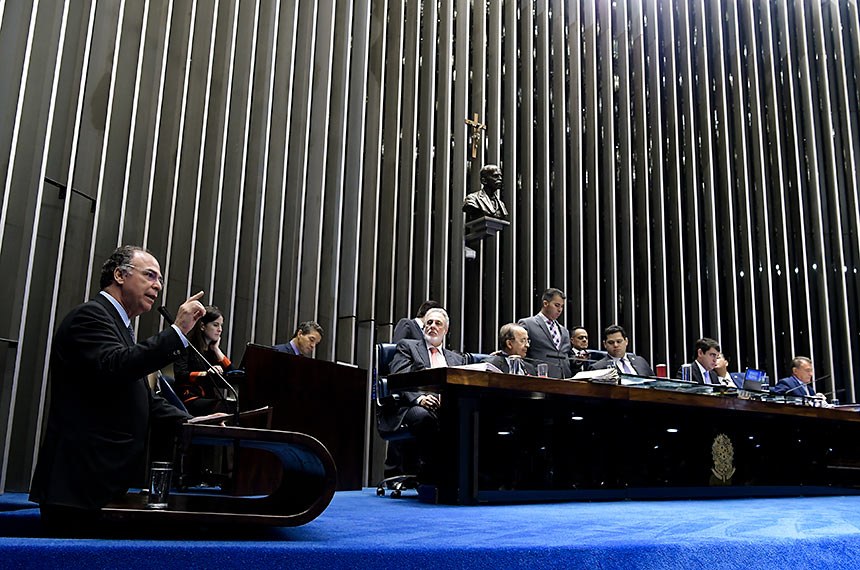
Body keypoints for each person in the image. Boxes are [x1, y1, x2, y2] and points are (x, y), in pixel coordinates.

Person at [28, 245, 221, 530]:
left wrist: (190, 420)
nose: (158, 286)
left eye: (160, 280)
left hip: (101, 484)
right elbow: (116, 366)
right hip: (78, 485)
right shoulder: (90, 317)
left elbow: (139, 394)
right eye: (150, 275)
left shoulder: (120, 326)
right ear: (119, 275)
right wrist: (177, 332)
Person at [383, 308, 466, 481]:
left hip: (446, 406)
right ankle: (431, 476)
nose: (432, 326)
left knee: (471, 419)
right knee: (424, 417)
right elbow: (400, 377)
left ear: (446, 330)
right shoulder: (408, 347)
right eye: (429, 323)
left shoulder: (456, 359)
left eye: (438, 323)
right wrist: (419, 399)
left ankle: (466, 478)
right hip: (412, 405)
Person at [173, 305, 235, 416]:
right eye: (215, 325)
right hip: (190, 398)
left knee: (237, 407)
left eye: (221, 326)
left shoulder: (212, 352)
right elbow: (180, 375)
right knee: (228, 408)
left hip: (208, 398)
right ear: (202, 326)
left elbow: (232, 377)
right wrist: (206, 374)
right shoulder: (186, 346)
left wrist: (217, 350)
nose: (220, 330)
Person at [518, 288, 573, 378]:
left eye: (562, 306)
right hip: (539, 380)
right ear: (545, 303)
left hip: (565, 381)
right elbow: (518, 349)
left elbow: (567, 356)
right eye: (557, 305)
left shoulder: (564, 331)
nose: (560, 310)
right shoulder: (527, 324)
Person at [591, 324, 655, 376]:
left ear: (626, 341)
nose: (615, 345)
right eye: (611, 342)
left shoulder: (640, 361)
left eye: (619, 341)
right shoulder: (598, 368)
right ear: (605, 344)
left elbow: (654, 384)